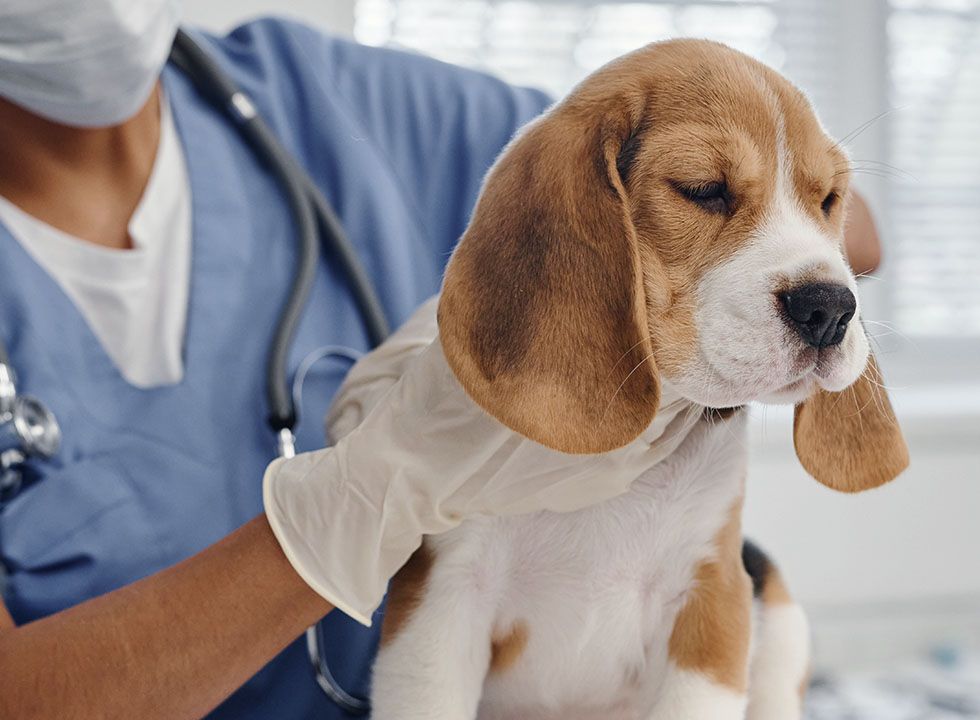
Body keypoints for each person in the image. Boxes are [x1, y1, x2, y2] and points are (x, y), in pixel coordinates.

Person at [0, 4, 881, 719]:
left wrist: (751, 217)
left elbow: (834, 214)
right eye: (705, 192)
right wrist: (360, 499)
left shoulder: (330, 98)